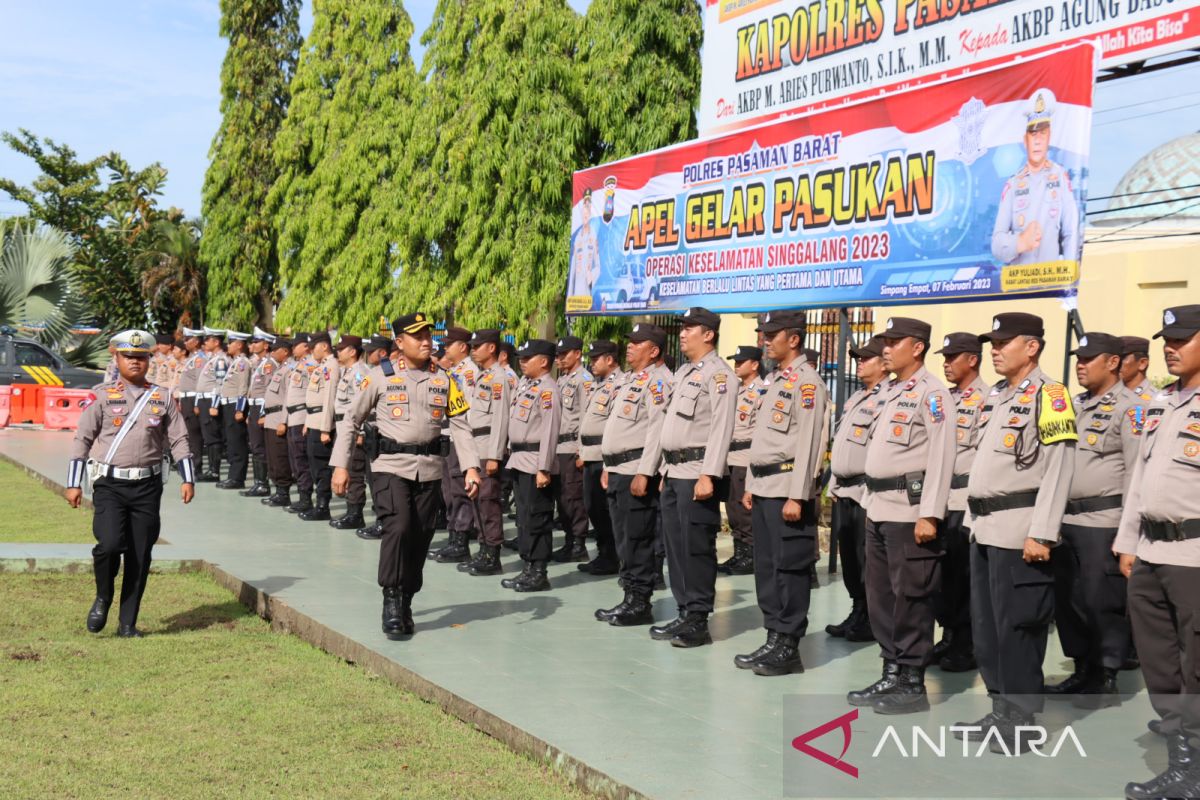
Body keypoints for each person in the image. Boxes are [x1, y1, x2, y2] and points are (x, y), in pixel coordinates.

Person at [958, 312, 1075, 752]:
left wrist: (1043, 532)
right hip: (985, 527)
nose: (995, 348)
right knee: (987, 628)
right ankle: (1000, 710)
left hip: (1020, 529)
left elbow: (1060, 467)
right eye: (993, 341)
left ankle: (1022, 720)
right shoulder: (996, 396)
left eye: (1005, 341)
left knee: (1018, 627)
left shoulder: (1053, 395)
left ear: (1032, 347)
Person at [331, 313, 481, 639]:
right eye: (417, 336)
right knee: (398, 526)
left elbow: (460, 426)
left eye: (428, 335)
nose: (426, 341)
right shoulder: (379, 377)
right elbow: (351, 419)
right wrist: (341, 465)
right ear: (399, 343)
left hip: (428, 469)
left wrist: (471, 466)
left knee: (420, 534)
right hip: (389, 466)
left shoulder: (445, 379)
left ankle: (407, 597)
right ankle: (391, 599)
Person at [846, 318, 954, 712]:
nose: (886, 349)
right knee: (881, 596)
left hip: (910, 512)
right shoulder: (891, 391)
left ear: (918, 347)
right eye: (885, 342)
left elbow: (943, 457)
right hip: (878, 507)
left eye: (895, 342)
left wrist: (931, 513)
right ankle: (891, 670)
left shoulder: (932, 394)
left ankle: (912, 681)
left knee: (911, 597)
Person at [1114, 305, 1200, 800]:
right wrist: (1128, 542)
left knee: (1196, 667)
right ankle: (1182, 762)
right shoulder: (1162, 403)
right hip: (1149, 552)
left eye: (1184, 338)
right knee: (1160, 663)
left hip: (1194, 556)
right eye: (1168, 338)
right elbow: (1140, 482)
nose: (1171, 346)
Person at [66, 329, 195, 637]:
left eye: (141, 357)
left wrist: (188, 477)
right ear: (117, 358)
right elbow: (82, 438)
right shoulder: (101, 394)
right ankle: (103, 596)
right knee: (109, 545)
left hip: (148, 487)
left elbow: (179, 438)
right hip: (110, 484)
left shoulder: (162, 397)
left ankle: (128, 623)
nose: (136, 362)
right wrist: (73, 483)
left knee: (140, 553)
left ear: (149, 359)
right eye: (129, 357)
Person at [1043, 332, 1142, 705]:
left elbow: (1136, 474)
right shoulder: (1074, 404)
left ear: (1113, 362)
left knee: (1102, 600)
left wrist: (1129, 534)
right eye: (1078, 359)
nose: (1080, 365)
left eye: (1089, 359)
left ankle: (1105, 673)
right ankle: (1083, 668)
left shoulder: (1130, 408)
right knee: (1068, 601)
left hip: (1104, 522)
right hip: (1066, 520)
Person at [735, 309, 828, 676]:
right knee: (768, 567)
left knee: (790, 567)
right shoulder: (777, 380)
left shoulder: (807, 383)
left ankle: (788, 645)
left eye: (772, 334)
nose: (765, 340)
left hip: (787, 488)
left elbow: (808, 443)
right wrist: (752, 486)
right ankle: (773, 637)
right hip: (764, 487)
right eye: (763, 333)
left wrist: (798, 494)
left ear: (794, 339)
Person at [652, 307, 736, 648]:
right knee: (675, 547)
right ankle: (684, 611)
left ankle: (698, 619)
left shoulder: (719, 375)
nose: (683, 333)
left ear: (709, 334)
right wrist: (662, 468)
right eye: (682, 328)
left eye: (690, 328)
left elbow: (721, 428)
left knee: (696, 548)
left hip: (696, 472)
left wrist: (709, 474)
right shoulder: (685, 372)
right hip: (673, 472)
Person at [596, 323, 674, 626]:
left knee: (638, 538)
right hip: (618, 469)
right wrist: (607, 465)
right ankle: (629, 595)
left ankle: (640, 601)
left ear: (653, 351)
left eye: (637, 343)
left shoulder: (659, 382)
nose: (629, 347)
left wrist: (645, 471)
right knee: (624, 539)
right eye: (630, 342)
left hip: (636, 471)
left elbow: (657, 430)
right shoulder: (633, 379)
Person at [929, 332, 990, 672]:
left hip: (963, 499)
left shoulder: (986, 399)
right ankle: (949, 636)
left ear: (972, 360)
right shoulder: (944, 398)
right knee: (942, 577)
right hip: (940, 497)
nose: (946, 363)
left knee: (963, 576)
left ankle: (965, 644)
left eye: (953, 357)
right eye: (945, 357)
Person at [825, 336, 887, 642]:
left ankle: (871, 618)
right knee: (849, 556)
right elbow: (843, 444)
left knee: (866, 561)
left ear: (883, 363)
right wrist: (834, 484)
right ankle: (857, 609)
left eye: (866, 358)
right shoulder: (856, 398)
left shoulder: (887, 398)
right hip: (845, 490)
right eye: (858, 358)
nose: (859, 363)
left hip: (865, 491)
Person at [991, 87, 1080, 266]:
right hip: (1018, 286)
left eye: (1042, 133)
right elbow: (996, 243)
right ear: (1025, 140)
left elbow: (1071, 232)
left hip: (1050, 283)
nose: (1038, 140)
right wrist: (1020, 242)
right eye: (1033, 134)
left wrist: (1069, 279)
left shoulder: (1060, 177)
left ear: (1049, 138)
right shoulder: (1014, 184)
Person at [502, 339, 562, 591]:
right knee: (524, 519)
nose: (522, 362)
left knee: (537, 519)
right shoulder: (526, 385)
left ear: (544, 361)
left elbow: (549, 430)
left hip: (536, 462)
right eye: (521, 358)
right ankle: (527, 567)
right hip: (519, 460)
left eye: (528, 358)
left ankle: (538, 571)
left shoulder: (548, 389)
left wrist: (544, 468)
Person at [455, 329, 513, 575]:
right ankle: (483, 549)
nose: (473, 350)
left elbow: (501, 419)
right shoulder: (482, 376)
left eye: (478, 346)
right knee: (477, 500)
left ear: (491, 348)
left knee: (489, 502)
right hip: (475, 446)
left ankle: (493, 555)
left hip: (488, 446)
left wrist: (495, 455)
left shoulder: (499, 378)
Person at [431, 327, 479, 563]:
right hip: (446, 436)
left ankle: (460, 539)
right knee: (448, 490)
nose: (445, 348)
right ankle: (453, 537)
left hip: (458, 438)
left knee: (459, 490)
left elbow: (466, 410)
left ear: (462, 346)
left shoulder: (468, 372)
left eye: (450, 344)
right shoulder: (453, 371)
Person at [577, 339, 623, 575]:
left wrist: (607, 462)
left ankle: (612, 556)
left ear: (610, 359)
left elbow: (614, 427)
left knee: (604, 509)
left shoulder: (619, 385)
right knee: (593, 507)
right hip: (590, 455)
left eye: (596, 358)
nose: (592, 363)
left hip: (603, 457)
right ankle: (604, 553)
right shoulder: (599, 384)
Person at [721, 345, 766, 576]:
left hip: (745, 457)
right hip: (730, 456)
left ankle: (750, 555)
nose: (737, 365)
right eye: (735, 361)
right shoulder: (736, 390)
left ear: (755, 364)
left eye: (741, 361)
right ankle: (739, 553)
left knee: (744, 509)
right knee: (732, 509)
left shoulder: (761, 391)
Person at [552, 335, 593, 562]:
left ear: (577, 353)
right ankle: (569, 540)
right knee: (562, 498)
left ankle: (578, 544)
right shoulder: (561, 380)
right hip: (559, 447)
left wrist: (581, 450)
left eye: (563, 354)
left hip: (572, 446)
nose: (559, 359)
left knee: (573, 497)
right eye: (557, 355)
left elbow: (587, 417)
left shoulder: (583, 380)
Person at [329, 335, 371, 530]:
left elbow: (363, 405)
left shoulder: (360, 373)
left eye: (342, 349)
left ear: (353, 351)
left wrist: (361, 432)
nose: (338, 352)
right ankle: (351, 510)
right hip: (343, 428)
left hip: (354, 431)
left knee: (354, 471)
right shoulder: (348, 372)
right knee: (347, 469)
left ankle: (356, 514)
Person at [353, 335, 392, 540]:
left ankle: (382, 522)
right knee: (372, 479)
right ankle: (380, 521)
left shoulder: (385, 373)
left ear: (383, 353)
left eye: (372, 350)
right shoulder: (373, 373)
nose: (368, 354)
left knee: (379, 480)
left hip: (380, 431)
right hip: (371, 431)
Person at [300, 331, 339, 521]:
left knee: (321, 466)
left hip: (322, 423)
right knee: (314, 465)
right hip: (313, 420)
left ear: (324, 346)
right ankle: (319, 504)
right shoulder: (321, 366)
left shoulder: (331, 366)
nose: (311, 351)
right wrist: (308, 423)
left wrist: (325, 428)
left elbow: (329, 398)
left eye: (314, 346)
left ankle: (323, 506)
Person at [241, 327, 276, 498]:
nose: (253, 345)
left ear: (266, 345)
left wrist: (263, 413)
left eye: (257, 342)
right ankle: (258, 482)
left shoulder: (269, 364)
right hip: (253, 407)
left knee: (261, 447)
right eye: (253, 342)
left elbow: (269, 390)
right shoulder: (258, 363)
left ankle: (263, 484)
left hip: (261, 408)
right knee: (255, 446)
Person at [259, 337, 295, 508]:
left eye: (276, 350)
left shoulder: (289, 370)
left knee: (280, 457)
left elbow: (288, 397)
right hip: (271, 417)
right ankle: (277, 490)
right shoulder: (281, 368)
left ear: (285, 351)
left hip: (279, 417)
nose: (272, 352)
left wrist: (284, 421)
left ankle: (283, 492)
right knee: (272, 456)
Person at [216, 330, 252, 490]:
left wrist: (240, 409)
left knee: (237, 442)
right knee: (231, 442)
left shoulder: (243, 363)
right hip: (228, 405)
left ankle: (237, 478)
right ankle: (233, 475)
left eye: (231, 343)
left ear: (239, 345)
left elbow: (243, 386)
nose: (228, 346)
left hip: (235, 406)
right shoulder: (236, 362)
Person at [285, 334, 316, 514]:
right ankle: (302, 495)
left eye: (296, 345)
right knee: (295, 458)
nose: (293, 348)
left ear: (305, 346)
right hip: (292, 416)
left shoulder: (312, 365)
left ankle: (306, 498)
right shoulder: (299, 364)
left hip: (302, 416)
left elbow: (313, 393)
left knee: (301, 459)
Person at [194, 327, 229, 482]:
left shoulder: (220, 360)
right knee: (208, 436)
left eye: (208, 340)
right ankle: (211, 470)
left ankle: (214, 471)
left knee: (213, 436)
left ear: (216, 342)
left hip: (210, 401)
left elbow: (220, 384)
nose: (205, 342)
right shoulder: (212, 359)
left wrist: (214, 404)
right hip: (203, 400)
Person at [176, 328, 207, 473]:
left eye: (188, 340)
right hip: (186, 397)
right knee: (189, 432)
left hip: (194, 397)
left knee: (195, 433)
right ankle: (192, 462)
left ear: (196, 341)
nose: (185, 342)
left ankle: (197, 465)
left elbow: (200, 382)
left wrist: (195, 403)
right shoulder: (193, 358)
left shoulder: (200, 359)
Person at [569, 187, 601, 299]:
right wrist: (569, 297)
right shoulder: (577, 238)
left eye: (589, 205)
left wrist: (591, 275)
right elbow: (572, 269)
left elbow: (598, 266)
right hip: (575, 295)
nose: (586, 209)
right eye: (585, 204)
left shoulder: (594, 236)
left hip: (586, 295)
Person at [1120, 335, 1154, 401]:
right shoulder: (1108, 394)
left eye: (1122, 358)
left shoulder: (1154, 399)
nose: (1115, 363)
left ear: (1142, 363)